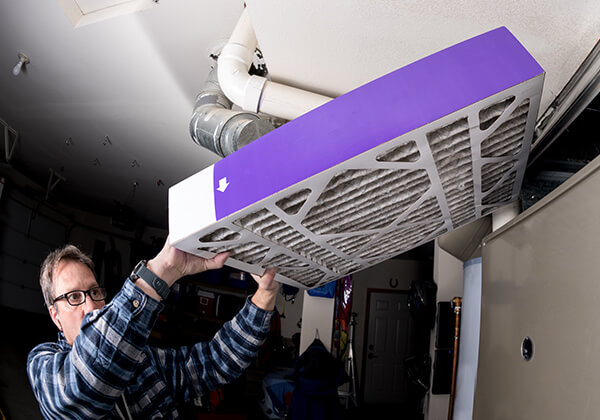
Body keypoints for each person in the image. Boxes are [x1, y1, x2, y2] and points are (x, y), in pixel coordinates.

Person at [27, 238, 280, 419]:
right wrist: (160, 273)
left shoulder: (143, 359)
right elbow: (83, 387)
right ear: (55, 315)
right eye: (73, 297)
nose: (91, 306)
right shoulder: (44, 365)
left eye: (94, 291)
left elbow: (214, 362)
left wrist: (265, 296)